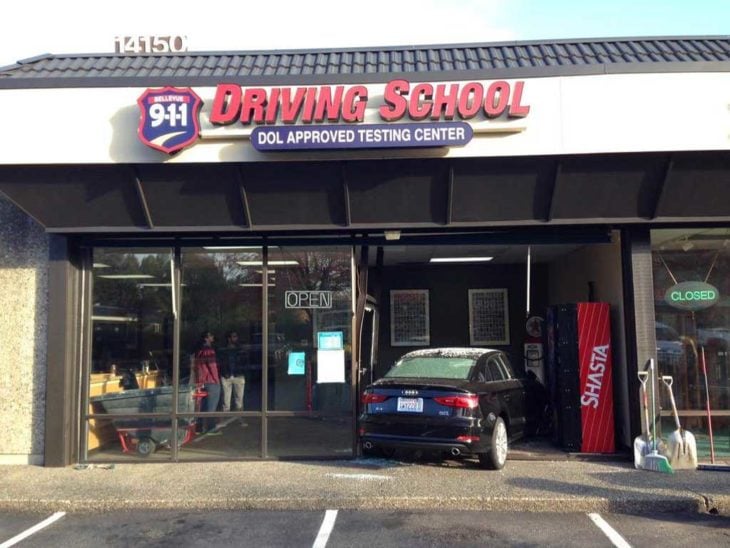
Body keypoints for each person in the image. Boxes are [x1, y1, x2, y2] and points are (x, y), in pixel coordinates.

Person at [193, 330, 222, 435]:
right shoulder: (209, 351)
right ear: (206, 338)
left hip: (201, 382)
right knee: (211, 406)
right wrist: (216, 380)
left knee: (202, 405)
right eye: (210, 336)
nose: (212, 337)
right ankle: (210, 428)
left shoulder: (199, 352)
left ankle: (199, 427)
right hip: (211, 381)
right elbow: (212, 366)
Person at [219, 331, 246, 415]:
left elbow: (244, 361)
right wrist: (224, 372)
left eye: (236, 336)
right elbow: (220, 362)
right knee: (226, 401)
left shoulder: (240, 349)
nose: (236, 338)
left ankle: (240, 418)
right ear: (229, 338)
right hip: (226, 376)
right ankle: (226, 419)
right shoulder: (223, 349)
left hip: (238, 375)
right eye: (234, 336)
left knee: (239, 400)